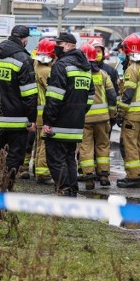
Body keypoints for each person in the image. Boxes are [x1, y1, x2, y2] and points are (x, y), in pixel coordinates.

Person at [0, 25, 38, 187]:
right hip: (18, 118)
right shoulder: (23, 59)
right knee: (15, 155)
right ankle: (6, 186)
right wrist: (32, 119)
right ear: (24, 40)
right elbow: (29, 94)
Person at [42, 32, 94, 196]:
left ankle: (64, 190)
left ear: (67, 45)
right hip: (76, 124)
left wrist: (48, 121)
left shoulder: (61, 65)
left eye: (59, 44)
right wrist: (79, 112)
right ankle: (72, 189)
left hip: (59, 122)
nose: (56, 47)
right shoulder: (86, 67)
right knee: (69, 158)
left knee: (55, 159)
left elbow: (54, 97)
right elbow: (90, 96)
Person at [77, 44, 117, 189]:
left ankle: (88, 178)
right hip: (102, 118)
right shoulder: (103, 74)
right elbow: (112, 96)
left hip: (84, 119)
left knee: (86, 147)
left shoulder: (80, 75)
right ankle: (104, 175)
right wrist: (112, 115)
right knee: (103, 146)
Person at [116, 34, 140, 188]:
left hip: (132, 115)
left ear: (127, 50)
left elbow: (127, 94)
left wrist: (120, 114)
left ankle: (133, 177)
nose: (121, 53)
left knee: (130, 145)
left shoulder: (131, 69)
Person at [33, 38, 56, 183]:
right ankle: (42, 173)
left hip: (36, 111)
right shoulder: (47, 71)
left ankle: (37, 169)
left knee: (38, 142)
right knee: (45, 143)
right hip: (44, 112)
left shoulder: (35, 67)